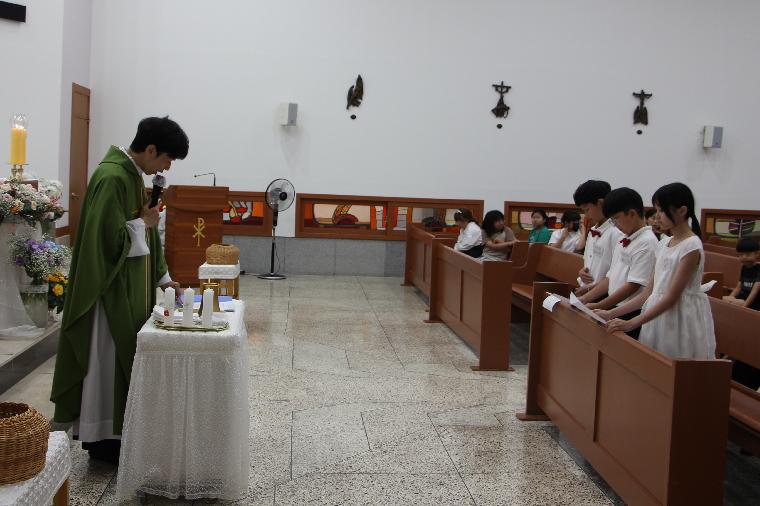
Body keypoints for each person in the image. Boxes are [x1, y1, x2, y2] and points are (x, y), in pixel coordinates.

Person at [51, 116, 188, 464]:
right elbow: (104, 242)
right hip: (108, 294)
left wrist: (164, 279)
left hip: (129, 290)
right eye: (167, 159)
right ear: (151, 149)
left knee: (121, 360)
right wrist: (144, 223)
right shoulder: (112, 177)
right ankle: (103, 438)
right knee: (107, 362)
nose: (167, 167)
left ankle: (119, 434)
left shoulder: (131, 175)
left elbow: (144, 231)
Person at [605, 183, 716, 360]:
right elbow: (648, 293)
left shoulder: (691, 246)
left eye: (662, 210)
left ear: (682, 211)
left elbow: (672, 297)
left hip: (679, 317)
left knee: (673, 365)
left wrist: (631, 323)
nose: (657, 216)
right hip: (657, 314)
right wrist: (610, 313)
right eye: (657, 210)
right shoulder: (664, 243)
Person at [585, 188, 658, 338]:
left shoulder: (647, 242)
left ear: (632, 213)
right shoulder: (625, 238)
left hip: (630, 310)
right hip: (614, 304)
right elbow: (610, 276)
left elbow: (633, 285)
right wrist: (586, 298)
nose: (615, 224)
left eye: (616, 218)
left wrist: (600, 305)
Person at [572, 180, 623, 296]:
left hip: (603, 295)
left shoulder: (617, 233)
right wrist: (582, 272)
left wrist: (590, 292)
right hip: (586, 291)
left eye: (587, 209)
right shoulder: (593, 231)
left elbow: (616, 273)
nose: (586, 215)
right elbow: (588, 262)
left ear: (601, 203)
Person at [724, 238, 760, 310]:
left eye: (748, 254)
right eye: (740, 255)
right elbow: (738, 287)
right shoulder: (744, 267)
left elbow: (754, 291)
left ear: (757, 254)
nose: (744, 257)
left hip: (754, 301)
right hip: (743, 297)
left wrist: (744, 307)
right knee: (723, 299)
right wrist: (730, 298)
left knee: (737, 303)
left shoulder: (758, 268)